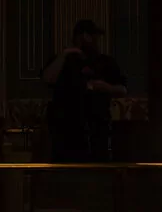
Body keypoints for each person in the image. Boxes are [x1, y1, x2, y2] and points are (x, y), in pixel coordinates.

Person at [42, 20, 127, 162]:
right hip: (65, 132)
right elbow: (47, 79)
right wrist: (65, 54)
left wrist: (103, 86)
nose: (96, 41)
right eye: (93, 36)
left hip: (97, 129)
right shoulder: (63, 61)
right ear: (83, 36)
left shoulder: (105, 62)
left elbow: (123, 89)